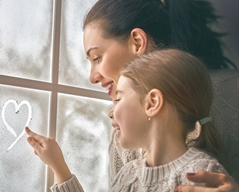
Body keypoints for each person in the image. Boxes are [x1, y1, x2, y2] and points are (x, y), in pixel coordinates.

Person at [81, 0, 238, 189]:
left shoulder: (228, 97)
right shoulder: (123, 133)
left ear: (138, 42)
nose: (92, 77)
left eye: (97, 58)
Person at [25, 49, 231, 191]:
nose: (110, 112)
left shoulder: (204, 175)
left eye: (119, 98)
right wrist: (58, 167)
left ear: (152, 103)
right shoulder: (128, 175)